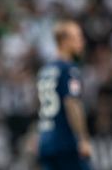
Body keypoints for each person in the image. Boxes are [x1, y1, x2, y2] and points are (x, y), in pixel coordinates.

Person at [37, 20, 92, 170]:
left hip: (46, 141)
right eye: (77, 37)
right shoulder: (68, 69)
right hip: (66, 142)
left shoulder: (45, 70)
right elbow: (72, 103)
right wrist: (82, 139)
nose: (82, 42)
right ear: (64, 41)